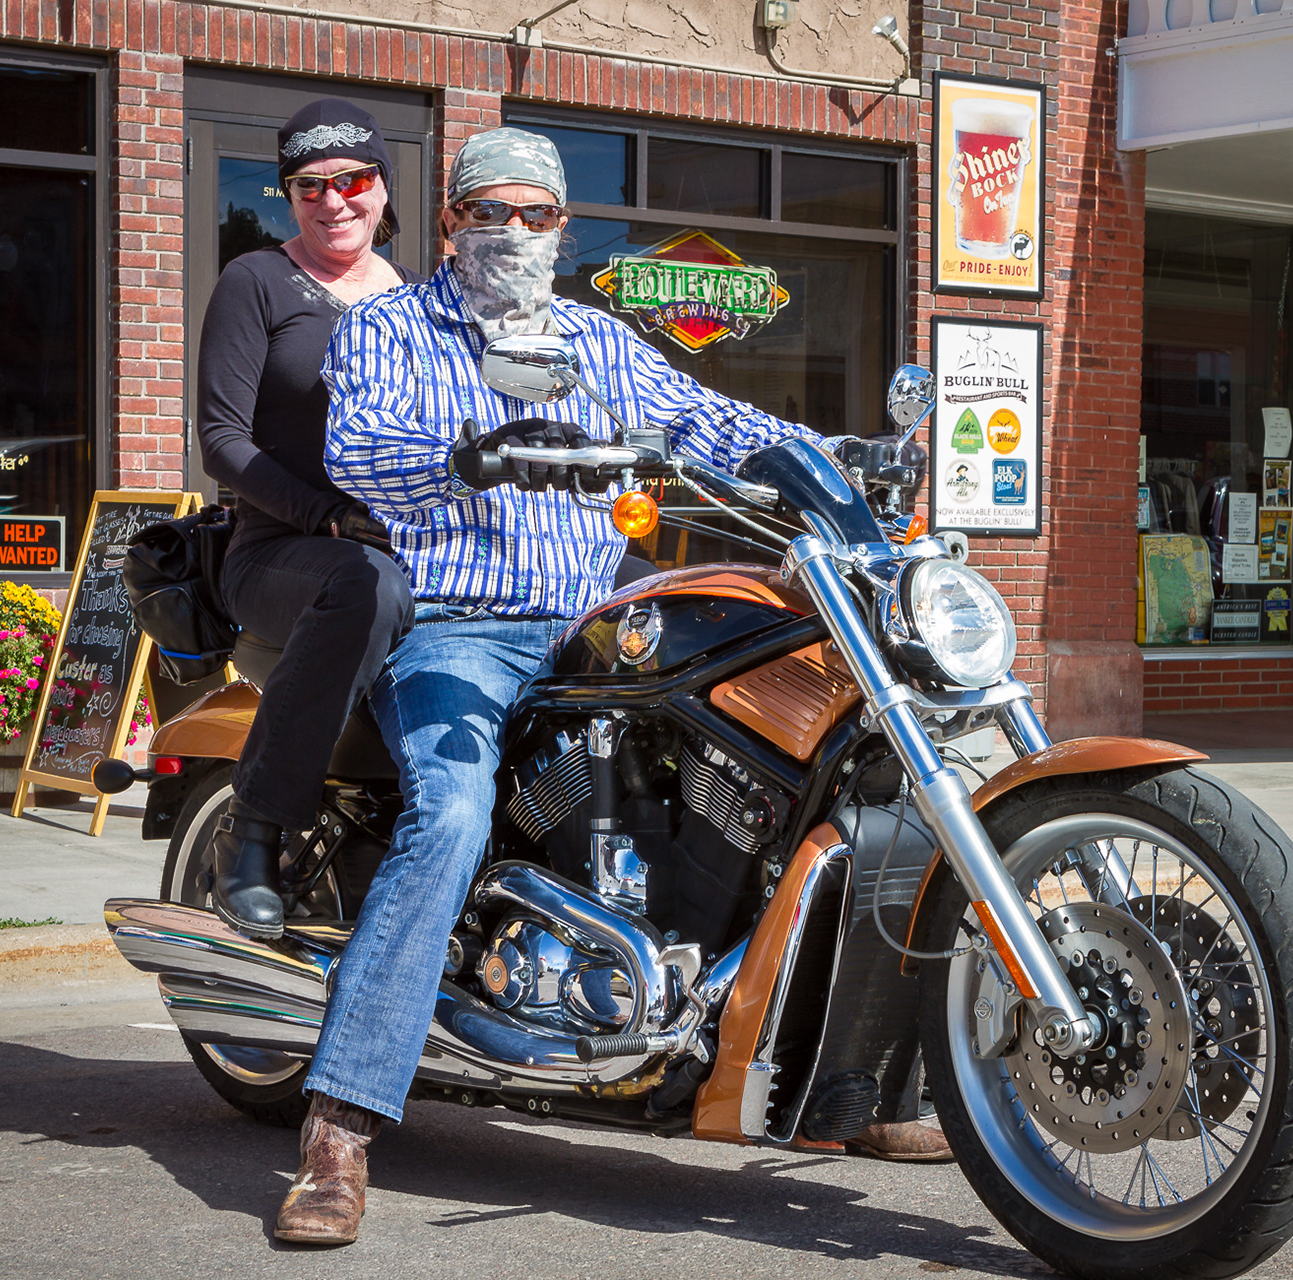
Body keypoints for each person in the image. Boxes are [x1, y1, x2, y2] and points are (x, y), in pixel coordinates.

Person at [267, 127, 942, 1248]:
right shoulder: (392, 326)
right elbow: (363, 448)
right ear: (451, 222)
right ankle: (339, 1127)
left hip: (595, 619)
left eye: (535, 214)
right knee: (451, 816)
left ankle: (849, 1083)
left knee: (813, 765)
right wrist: (470, 454)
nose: (513, 232)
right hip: (459, 626)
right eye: (490, 212)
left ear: (562, 227)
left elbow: (711, 420)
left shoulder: (597, 339)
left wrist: (840, 457)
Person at [194, 99, 421, 939]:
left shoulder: (419, 299)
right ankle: (253, 829)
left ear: (382, 185)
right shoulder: (256, 280)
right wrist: (327, 516)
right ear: (289, 195)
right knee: (366, 586)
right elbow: (221, 440)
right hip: (284, 552)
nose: (333, 201)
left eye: (351, 180)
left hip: (412, 550)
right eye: (309, 186)